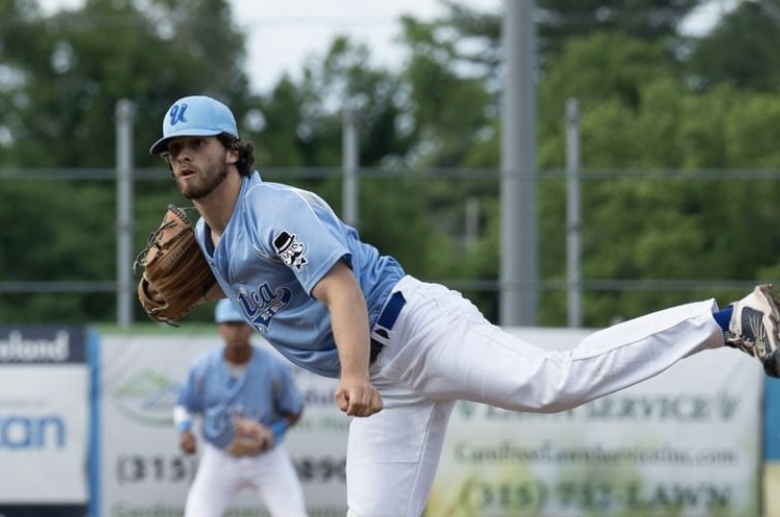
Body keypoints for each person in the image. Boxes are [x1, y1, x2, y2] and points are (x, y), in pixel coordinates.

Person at [151, 94, 780, 517]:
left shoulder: (272, 211)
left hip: (415, 327)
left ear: (230, 150)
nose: (182, 155)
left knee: (549, 383)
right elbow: (223, 286)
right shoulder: (211, 239)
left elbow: (339, 288)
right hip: (388, 384)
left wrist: (353, 376)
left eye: (196, 143)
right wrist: (172, 291)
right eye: (173, 149)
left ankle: (728, 321)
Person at [174, 298, 308, 517]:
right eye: (229, 324)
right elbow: (184, 405)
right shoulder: (202, 367)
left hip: (267, 456)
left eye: (241, 323)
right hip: (221, 455)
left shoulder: (273, 367)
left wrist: (273, 432)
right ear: (220, 328)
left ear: (252, 328)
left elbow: (294, 409)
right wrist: (184, 431)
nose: (235, 331)